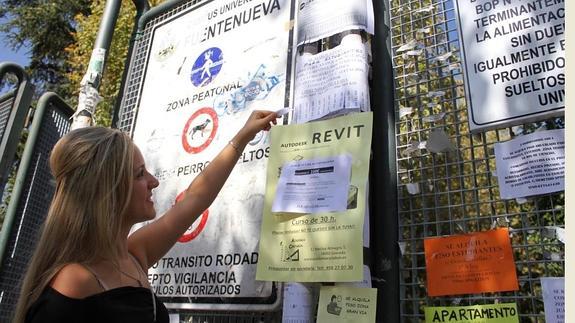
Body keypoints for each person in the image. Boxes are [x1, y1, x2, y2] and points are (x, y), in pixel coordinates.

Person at [13, 110, 279, 323]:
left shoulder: (133, 255)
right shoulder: (75, 281)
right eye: (140, 174)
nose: (154, 182)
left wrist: (243, 137)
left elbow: (196, 198)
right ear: (107, 191)